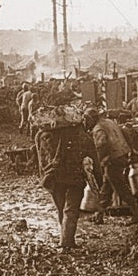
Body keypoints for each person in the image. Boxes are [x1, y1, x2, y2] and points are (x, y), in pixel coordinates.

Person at [35, 106, 97, 249]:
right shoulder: (82, 136)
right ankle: (67, 241)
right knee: (71, 209)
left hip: (53, 177)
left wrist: (44, 177)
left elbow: (40, 159)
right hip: (74, 177)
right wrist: (98, 184)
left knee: (60, 207)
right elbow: (95, 161)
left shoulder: (42, 135)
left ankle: (64, 238)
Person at [85, 109, 138, 224]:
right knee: (106, 186)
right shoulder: (108, 121)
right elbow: (124, 133)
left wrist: (98, 161)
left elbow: (101, 145)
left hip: (113, 159)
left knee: (120, 187)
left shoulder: (98, 129)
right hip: (121, 155)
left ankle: (137, 213)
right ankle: (99, 214)